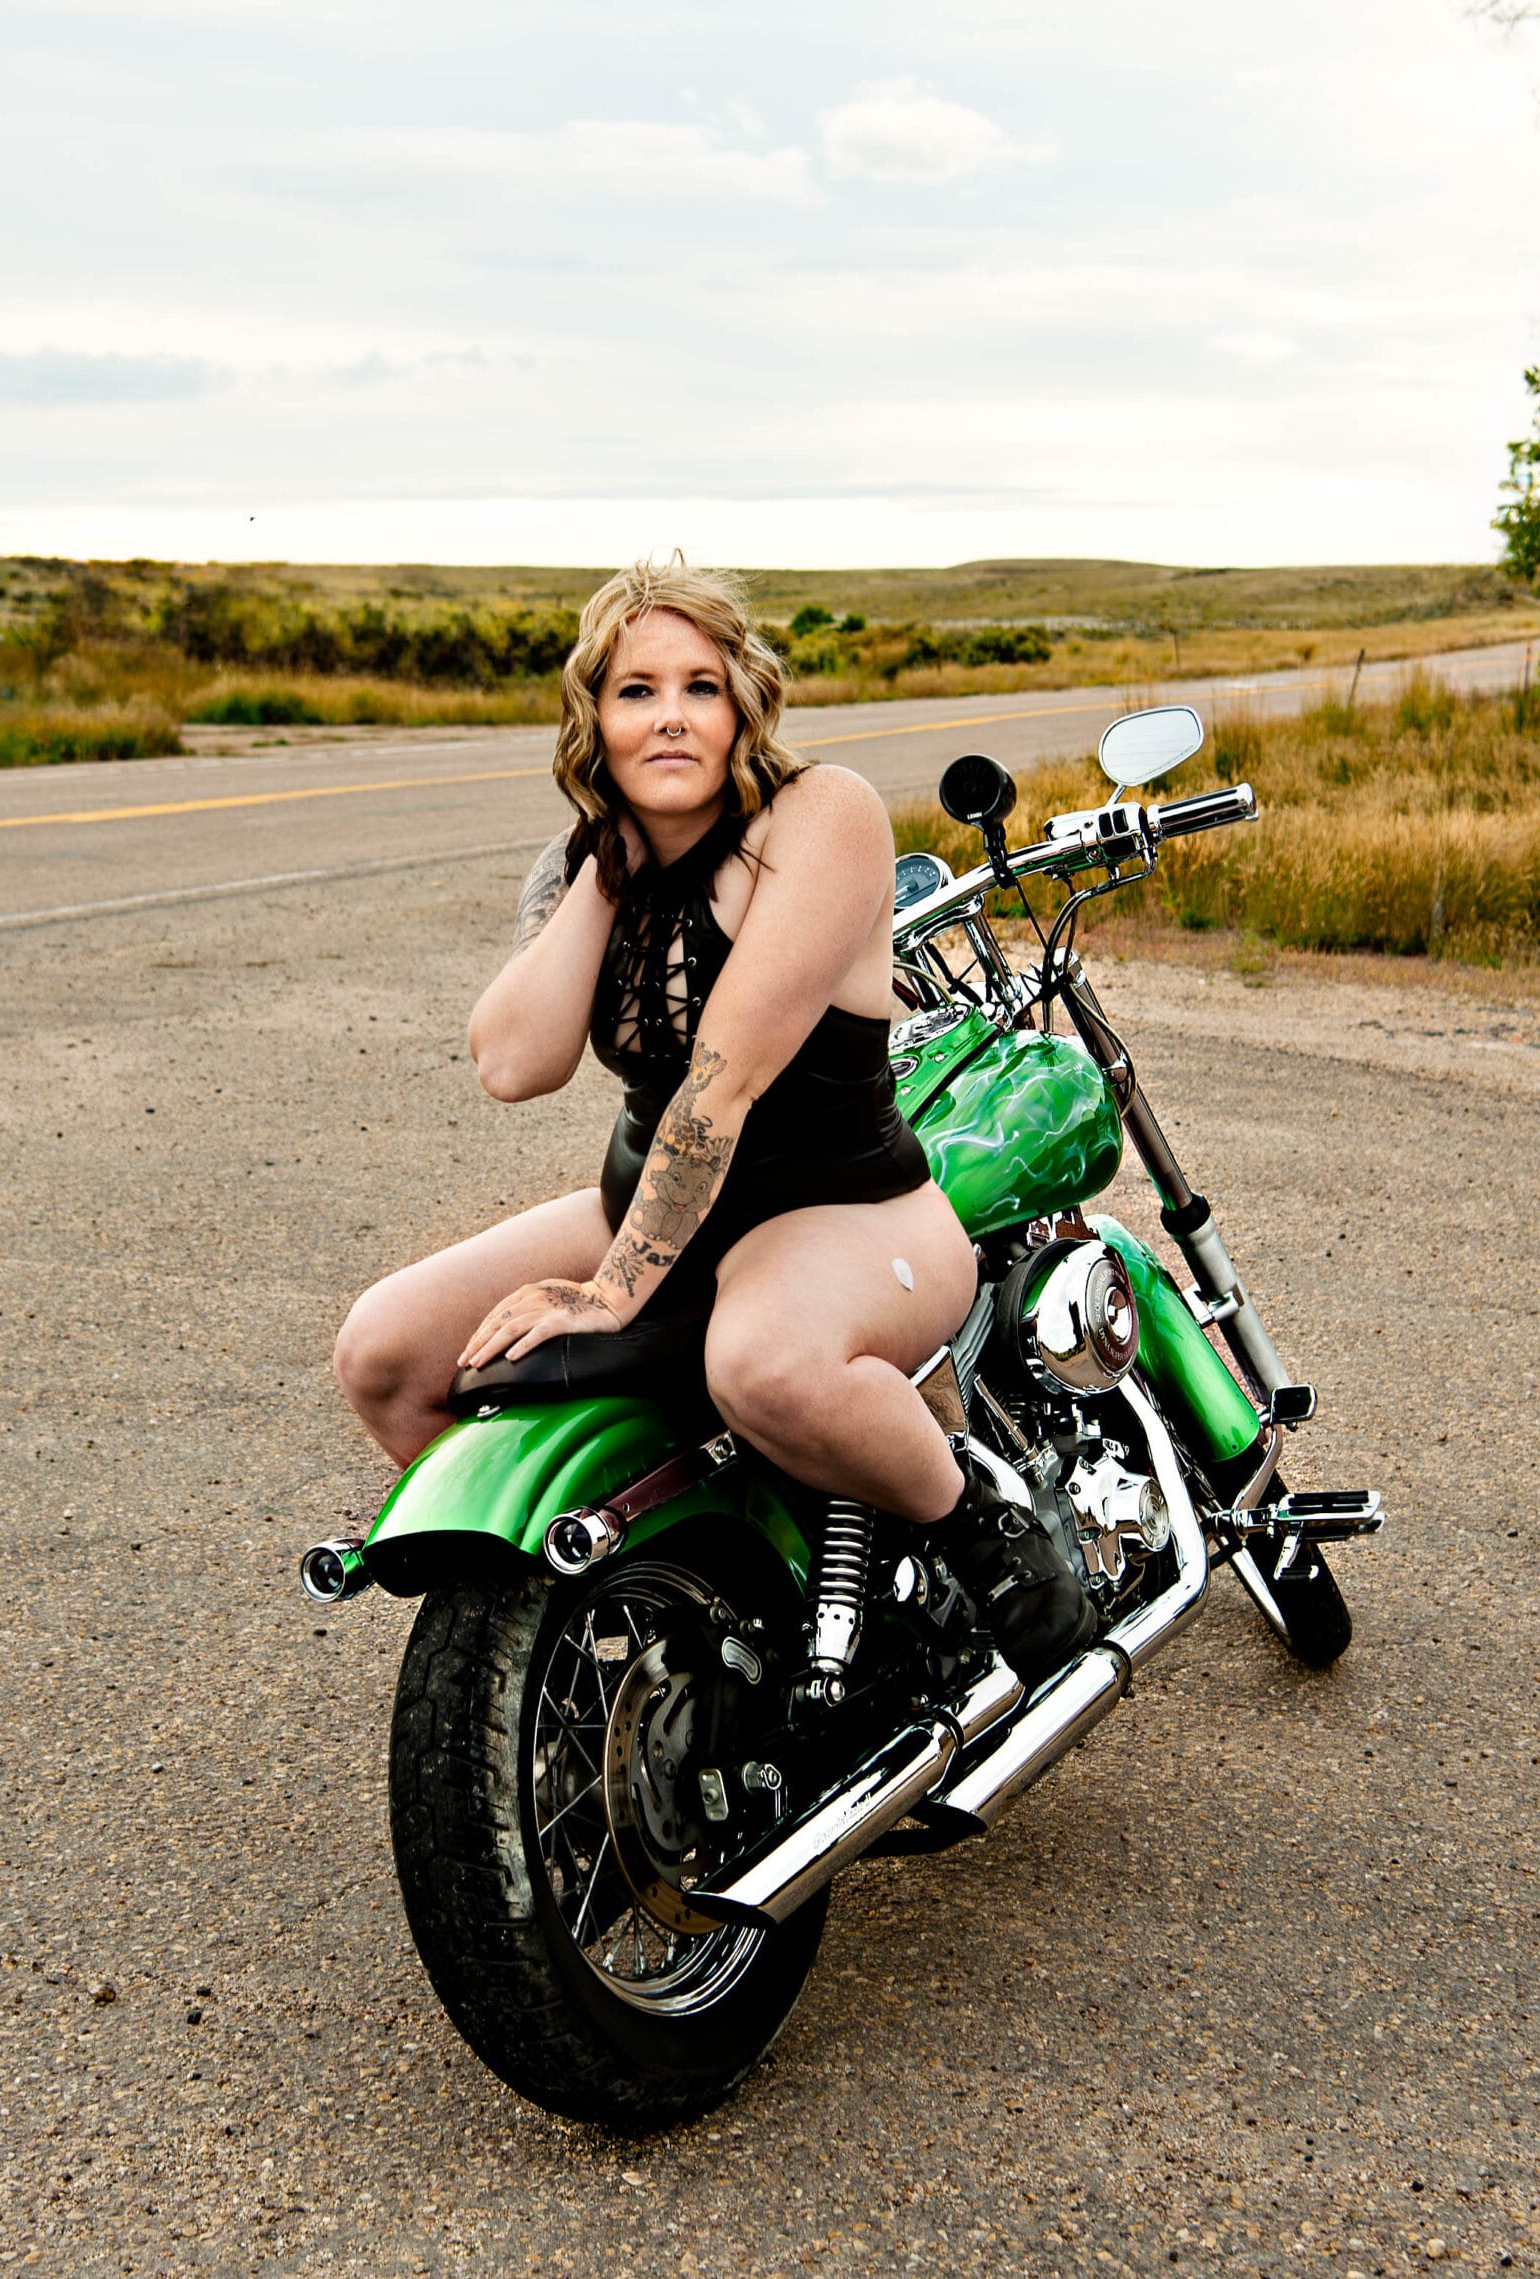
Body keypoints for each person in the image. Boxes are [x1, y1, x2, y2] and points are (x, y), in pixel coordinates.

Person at [333, 558, 1094, 1680]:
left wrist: (606, 1293)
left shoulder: (820, 815)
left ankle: (973, 1513)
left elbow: (722, 1082)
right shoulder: (580, 865)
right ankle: (601, 1625)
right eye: (635, 691)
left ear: (744, 703)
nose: (671, 716)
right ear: (592, 717)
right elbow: (512, 1062)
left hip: (843, 1209)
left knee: (765, 1367)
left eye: (701, 686)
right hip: (652, 1210)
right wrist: (606, 867)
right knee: (384, 1354)